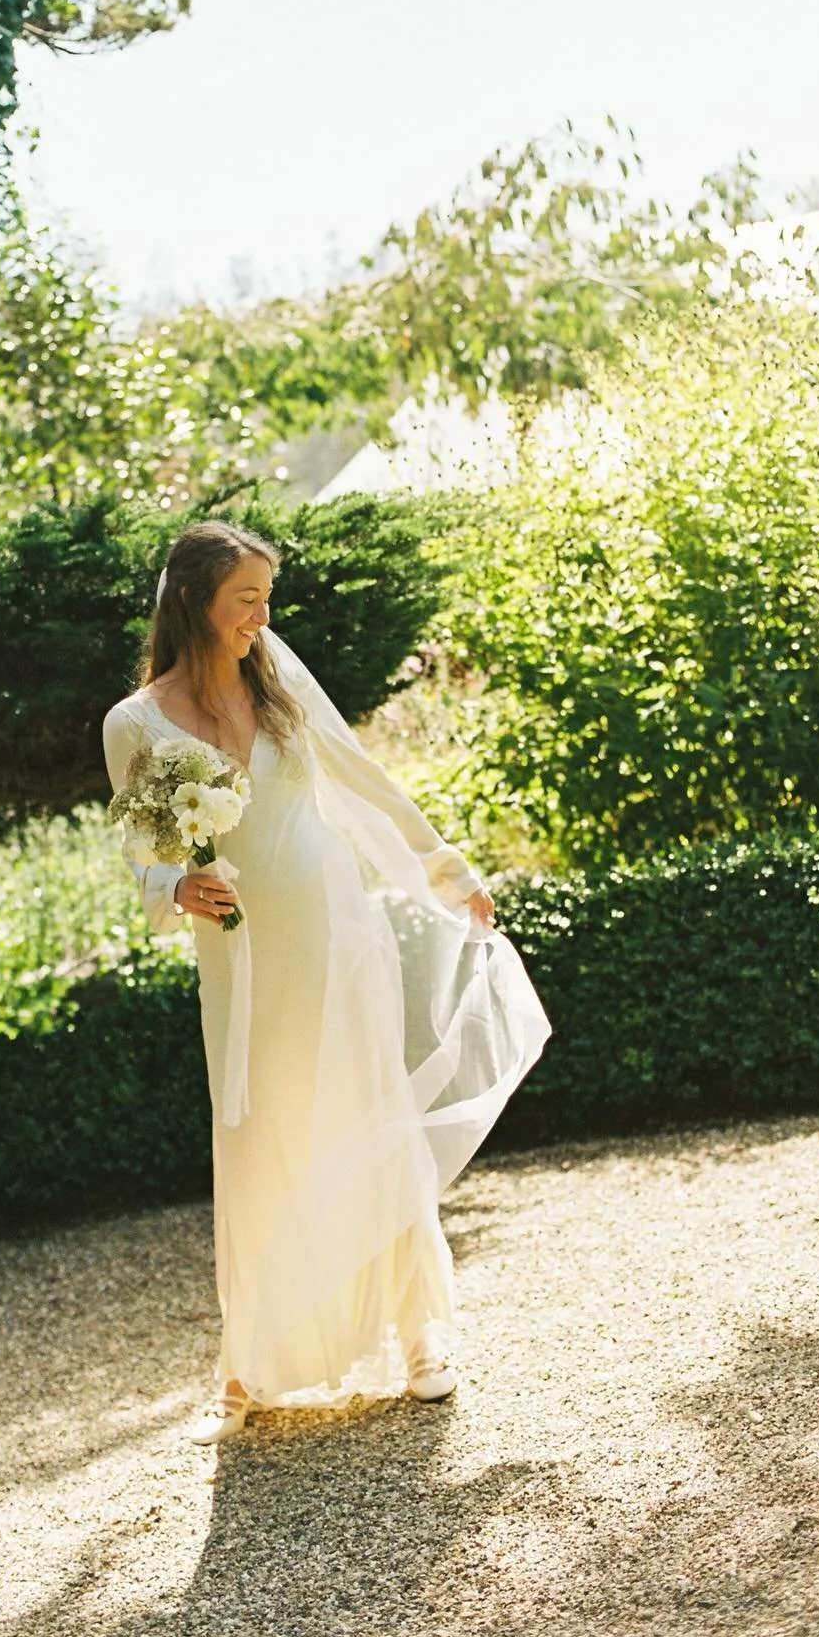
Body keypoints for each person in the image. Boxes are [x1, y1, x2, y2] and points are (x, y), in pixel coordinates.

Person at [102, 521, 551, 1444]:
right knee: (263, 1131)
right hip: (243, 954)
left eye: (266, 599)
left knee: (365, 1109)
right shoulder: (134, 723)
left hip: (339, 928)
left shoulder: (275, 675)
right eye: (246, 600)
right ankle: (253, 1359)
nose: (261, 618)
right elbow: (142, 856)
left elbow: (360, 772)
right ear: (193, 601)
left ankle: (420, 1335)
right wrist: (175, 885)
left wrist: (445, 866)